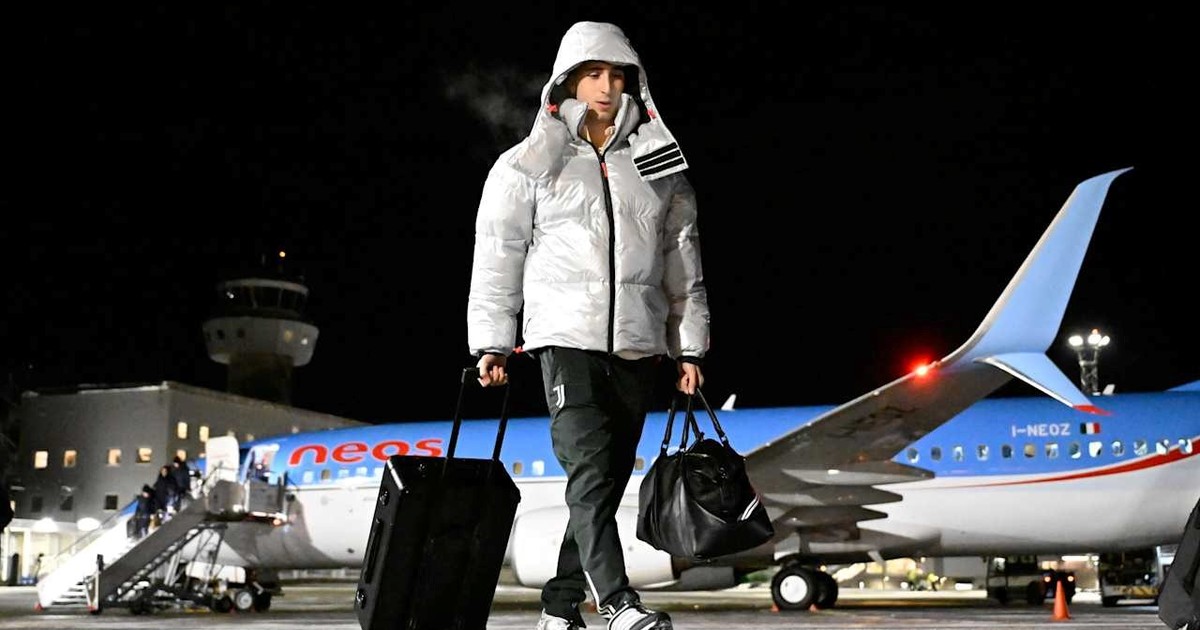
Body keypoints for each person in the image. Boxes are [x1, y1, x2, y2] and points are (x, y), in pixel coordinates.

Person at [467, 21, 708, 630]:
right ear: (567, 82)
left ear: (633, 82)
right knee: (589, 469)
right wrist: (492, 341)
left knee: (604, 481)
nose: (606, 86)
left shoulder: (658, 164)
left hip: (637, 343)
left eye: (617, 74)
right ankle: (616, 601)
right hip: (563, 339)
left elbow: (682, 262)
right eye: (593, 74)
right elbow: (498, 257)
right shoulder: (528, 164)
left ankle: (558, 609)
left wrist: (689, 347)